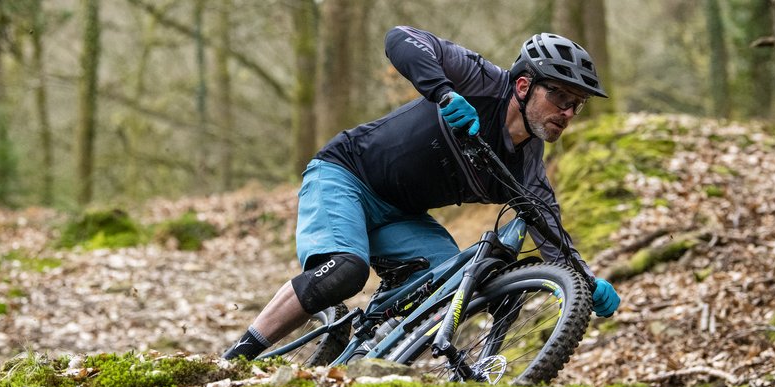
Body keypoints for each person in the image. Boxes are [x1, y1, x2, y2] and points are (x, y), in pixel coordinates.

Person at [222, 26, 621, 360]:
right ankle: (235, 358)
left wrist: (584, 281)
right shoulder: (481, 81)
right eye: (560, 97)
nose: (567, 112)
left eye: (577, 105)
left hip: (403, 216)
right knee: (345, 270)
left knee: (456, 285)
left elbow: (551, 235)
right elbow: (402, 38)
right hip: (345, 174)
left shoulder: (529, 172)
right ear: (523, 85)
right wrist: (444, 93)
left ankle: (370, 348)